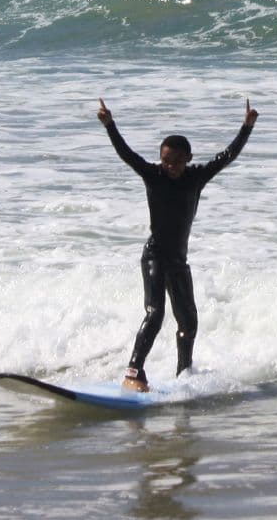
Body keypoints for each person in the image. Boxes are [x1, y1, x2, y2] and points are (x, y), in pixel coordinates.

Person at [97, 96, 258, 392]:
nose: (170, 165)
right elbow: (127, 154)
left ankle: (184, 375)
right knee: (154, 314)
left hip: (178, 261)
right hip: (155, 256)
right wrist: (110, 125)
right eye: (166, 160)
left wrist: (246, 128)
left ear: (188, 158)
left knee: (189, 322)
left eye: (176, 160)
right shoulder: (153, 175)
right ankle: (133, 372)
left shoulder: (196, 177)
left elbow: (227, 156)